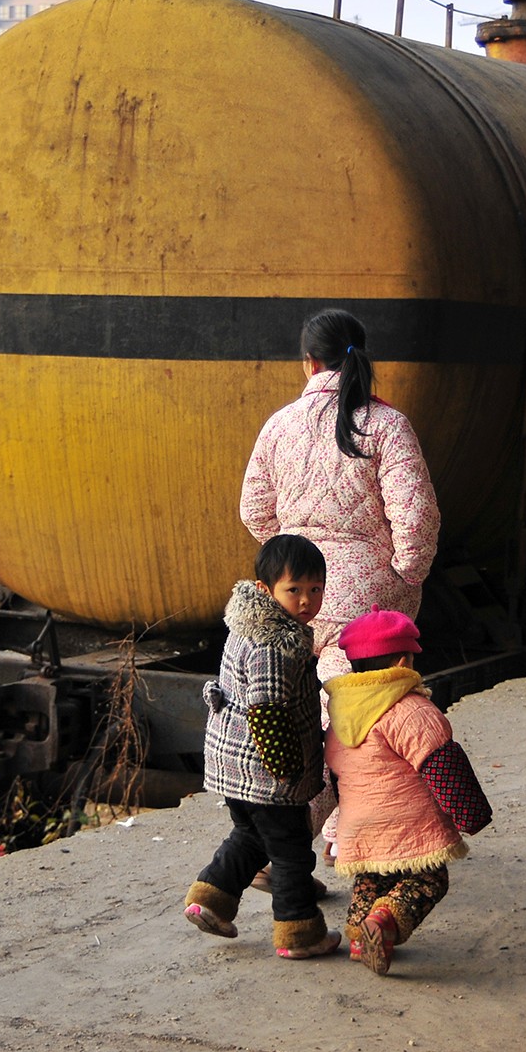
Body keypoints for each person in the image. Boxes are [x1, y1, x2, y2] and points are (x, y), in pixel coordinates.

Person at [240, 308, 441, 683]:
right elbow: (417, 517)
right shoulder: (386, 424)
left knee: (289, 702)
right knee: (352, 707)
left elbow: (254, 510)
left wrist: (294, 558)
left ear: (309, 363)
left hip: (294, 592)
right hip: (368, 600)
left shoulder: (279, 424)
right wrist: (405, 576)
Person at [182, 534, 340, 960]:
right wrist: (287, 774)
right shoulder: (274, 644)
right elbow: (267, 711)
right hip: (267, 771)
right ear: (265, 590)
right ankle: (299, 934)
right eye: (295, 590)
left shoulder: (249, 626)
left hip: (234, 767)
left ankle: (208, 900)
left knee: (250, 836)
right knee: (290, 853)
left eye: (315, 590)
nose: (306, 600)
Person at [324, 608, 492, 976]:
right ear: (404, 660)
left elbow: (339, 777)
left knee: (371, 877)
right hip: (407, 821)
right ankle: (383, 921)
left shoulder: (340, 717)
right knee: (428, 878)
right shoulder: (411, 709)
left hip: (359, 824)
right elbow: (443, 764)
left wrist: (336, 829)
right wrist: (472, 816)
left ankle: (358, 936)